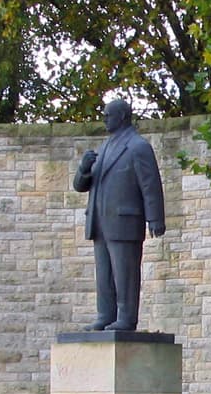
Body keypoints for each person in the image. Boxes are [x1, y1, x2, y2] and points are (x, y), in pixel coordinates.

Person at [73, 99, 166, 332]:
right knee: (103, 274)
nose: (104, 118)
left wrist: (155, 218)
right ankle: (105, 314)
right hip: (100, 221)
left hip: (125, 221)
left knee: (125, 273)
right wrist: (83, 168)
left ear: (123, 116)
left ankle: (126, 317)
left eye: (108, 114)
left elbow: (150, 184)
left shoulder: (137, 146)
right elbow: (81, 186)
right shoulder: (104, 147)